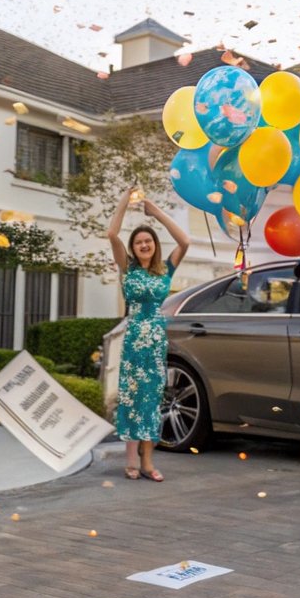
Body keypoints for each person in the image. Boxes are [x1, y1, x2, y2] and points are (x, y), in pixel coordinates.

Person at [105, 186, 191, 483]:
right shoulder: (127, 268)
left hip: (155, 340)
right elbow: (112, 236)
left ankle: (148, 460)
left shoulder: (165, 270)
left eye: (148, 241)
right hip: (134, 338)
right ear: (134, 247)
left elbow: (185, 240)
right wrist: (123, 202)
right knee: (131, 396)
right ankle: (130, 458)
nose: (144, 244)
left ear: (155, 245)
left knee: (152, 398)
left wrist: (155, 212)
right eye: (139, 241)